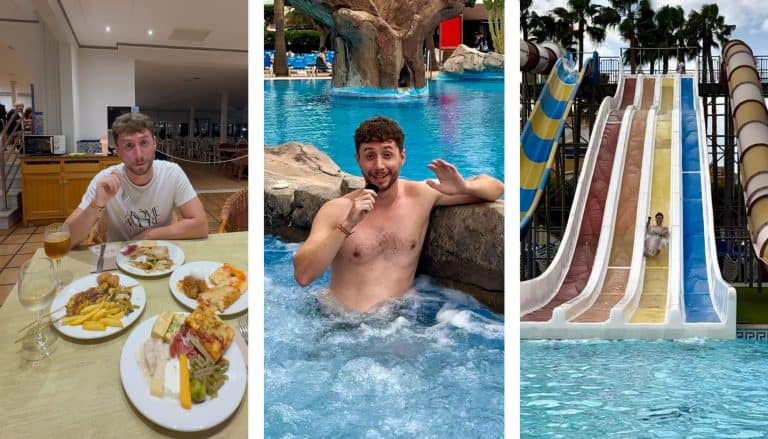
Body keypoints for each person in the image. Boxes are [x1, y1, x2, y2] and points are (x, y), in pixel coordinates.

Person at [293, 116, 504, 313]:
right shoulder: (336, 210)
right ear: (358, 159)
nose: (379, 166)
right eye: (369, 156)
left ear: (402, 157)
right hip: (339, 321)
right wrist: (348, 224)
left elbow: (496, 188)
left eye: (387, 155)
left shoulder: (421, 196)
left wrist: (464, 187)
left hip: (397, 324)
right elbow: (303, 275)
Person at [65, 112, 208, 247]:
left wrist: (148, 235)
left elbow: (201, 225)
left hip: (163, 256)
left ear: (154, 144)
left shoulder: (172, 173)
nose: (139, 154)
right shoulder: (104, 180)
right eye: (129, 146)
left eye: (144, 143)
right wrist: (97, 203)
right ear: (118, 151)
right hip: (119, 259)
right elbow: (67, 239)